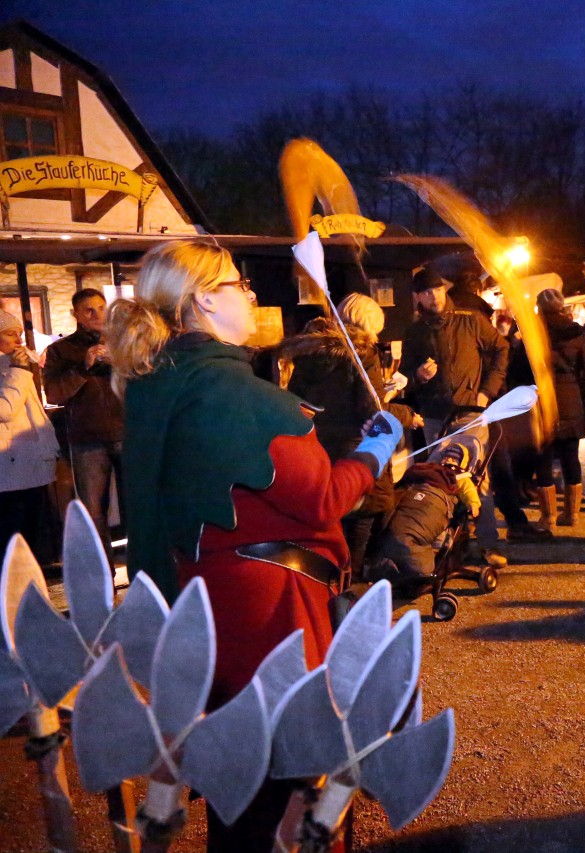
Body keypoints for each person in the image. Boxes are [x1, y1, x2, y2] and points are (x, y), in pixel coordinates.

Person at [105, 239, 402, 847]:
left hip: (210, 602)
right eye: (240, 285)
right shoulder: (235, 394)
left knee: (236, 775)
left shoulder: (163, 382)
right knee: (283, 776)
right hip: (269, 613)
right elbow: (320, 499)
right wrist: (374, 454)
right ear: (206, 299)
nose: (252, 294)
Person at [403, 255, 510, 568]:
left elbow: (502, 349)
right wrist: (417, 377)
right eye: (427, 292)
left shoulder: (469, 319)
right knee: (441, 480)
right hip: (435, 416)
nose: (434, 296)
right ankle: (448, 547)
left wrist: (486, 392)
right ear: (418, 297)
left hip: (470, 412)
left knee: (477, 479)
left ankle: (489, 545)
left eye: (438, 290)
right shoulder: (415, 331)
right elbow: (406, 375)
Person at [278, 292, 392, 577]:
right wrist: (397, 411)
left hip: (316, 447)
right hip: (354, 450)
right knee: (359, 522)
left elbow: (296, 401)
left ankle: (325, 582)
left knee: (327, 520)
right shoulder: (362, 353)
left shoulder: (309, 351)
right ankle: (347, 586)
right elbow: (372, 411)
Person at [42, 288, 125, 559]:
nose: (97, 315)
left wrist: (122, 364)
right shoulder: (60, 351)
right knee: (93, 511)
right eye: (88, 310)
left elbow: (147, 380)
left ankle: (145, 572)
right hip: (87, 440)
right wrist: (82, 368)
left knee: (138, 505)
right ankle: (104, 579)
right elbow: (54, 393)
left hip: (128, 434)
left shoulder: (124, 344)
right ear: (75, 314)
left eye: (101, 308)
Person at [369, 436, 482, 596]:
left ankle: (423, 562)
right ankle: (414, 567)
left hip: (436, 502)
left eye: (455, 457)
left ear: (462, 463)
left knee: (433, 537)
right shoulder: (428, 470)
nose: (450, 459)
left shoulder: (460, 477)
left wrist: (473, 504)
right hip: (419, 494)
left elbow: (469, 491)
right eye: (448, 455)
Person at [0, 310, 58, 550]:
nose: (18, 340)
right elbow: (5, 410)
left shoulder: (14, 365)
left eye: (19, 334)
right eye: (11, 334)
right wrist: (19, 371)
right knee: (12, 538)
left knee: (30, 535)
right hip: (9, 469)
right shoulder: (16, 369)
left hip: (30, 464)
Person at [533, 287, 585, 529]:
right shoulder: (577, 333)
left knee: (543, 458)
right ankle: (572, 514)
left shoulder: (532, 331)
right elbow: (584, 371)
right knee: (570, 457)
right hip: (571, 398)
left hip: (541, 398)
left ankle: (548, 517)